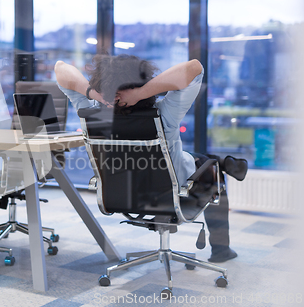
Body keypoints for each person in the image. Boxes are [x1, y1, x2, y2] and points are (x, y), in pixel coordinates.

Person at [54, 54, 247, 263]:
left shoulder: (90, 112)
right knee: (211, 168)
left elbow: (60, 68)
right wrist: (140, 93)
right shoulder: (164, 115)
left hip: (120, 197)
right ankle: (221, 249)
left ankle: (223, 162)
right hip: (171, 195)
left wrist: (94, 94)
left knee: (197, 158)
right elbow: (194, 68)